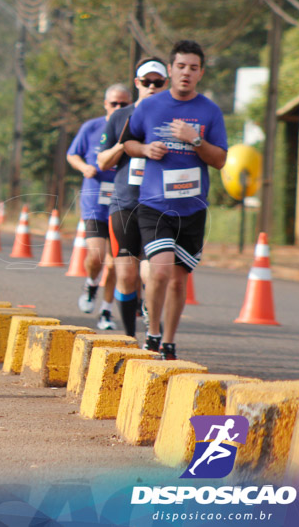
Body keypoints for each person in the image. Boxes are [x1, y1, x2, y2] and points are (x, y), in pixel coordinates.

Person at [122, 40, 228, 360]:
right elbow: (127, 143)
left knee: (179, 281)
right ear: (170, 70)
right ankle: (152, 334)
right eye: (180, 66)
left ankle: (169, 342)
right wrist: (144, 150)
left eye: (193, 68)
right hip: (154, 203)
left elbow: (221, 159)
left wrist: (194, 139)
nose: (186, 73)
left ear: (200, 74)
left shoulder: (209, 111)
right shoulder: (150, 107)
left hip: (192, 207)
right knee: (160, 271)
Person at [96, 58, 170, 337]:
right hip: (125, 203)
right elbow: (102, 162)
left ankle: (153, 332)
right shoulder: (119, 116)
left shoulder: (173, 118)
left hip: (160, 204)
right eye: (146, 82)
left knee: (151, 274)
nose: (151, 87)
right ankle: (129, 338)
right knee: (126, 276)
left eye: (158, 82)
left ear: (166, 84)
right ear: (137, 83)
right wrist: (123, 144)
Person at [67, 84, 132, 330]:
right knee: (95, 256)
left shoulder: (134, 130)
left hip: (122, 201)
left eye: (123, 104)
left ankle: (105, 311)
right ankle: (91, 283)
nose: (118, 108)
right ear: (105, 104)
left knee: (115, 261)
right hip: (94, 200)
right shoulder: (91, 127)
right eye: (113, 103)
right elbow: (72, 154)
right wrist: (85, 168)